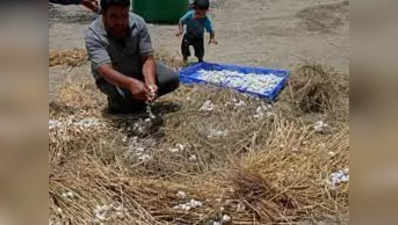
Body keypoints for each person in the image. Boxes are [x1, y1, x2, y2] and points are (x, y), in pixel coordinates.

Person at [84, 0, 179, 114]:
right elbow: (105, 70)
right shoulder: (94, 34)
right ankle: (119, 102)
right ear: (103, 14)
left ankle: (141, 97)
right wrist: (131, 84)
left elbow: (147, 58)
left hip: (135, 67)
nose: (120, 22)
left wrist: (150, 83)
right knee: (125, 105)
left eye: (124, 15)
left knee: (171, 79)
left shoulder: (138, 23)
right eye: (114, 16)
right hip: (112, 78)